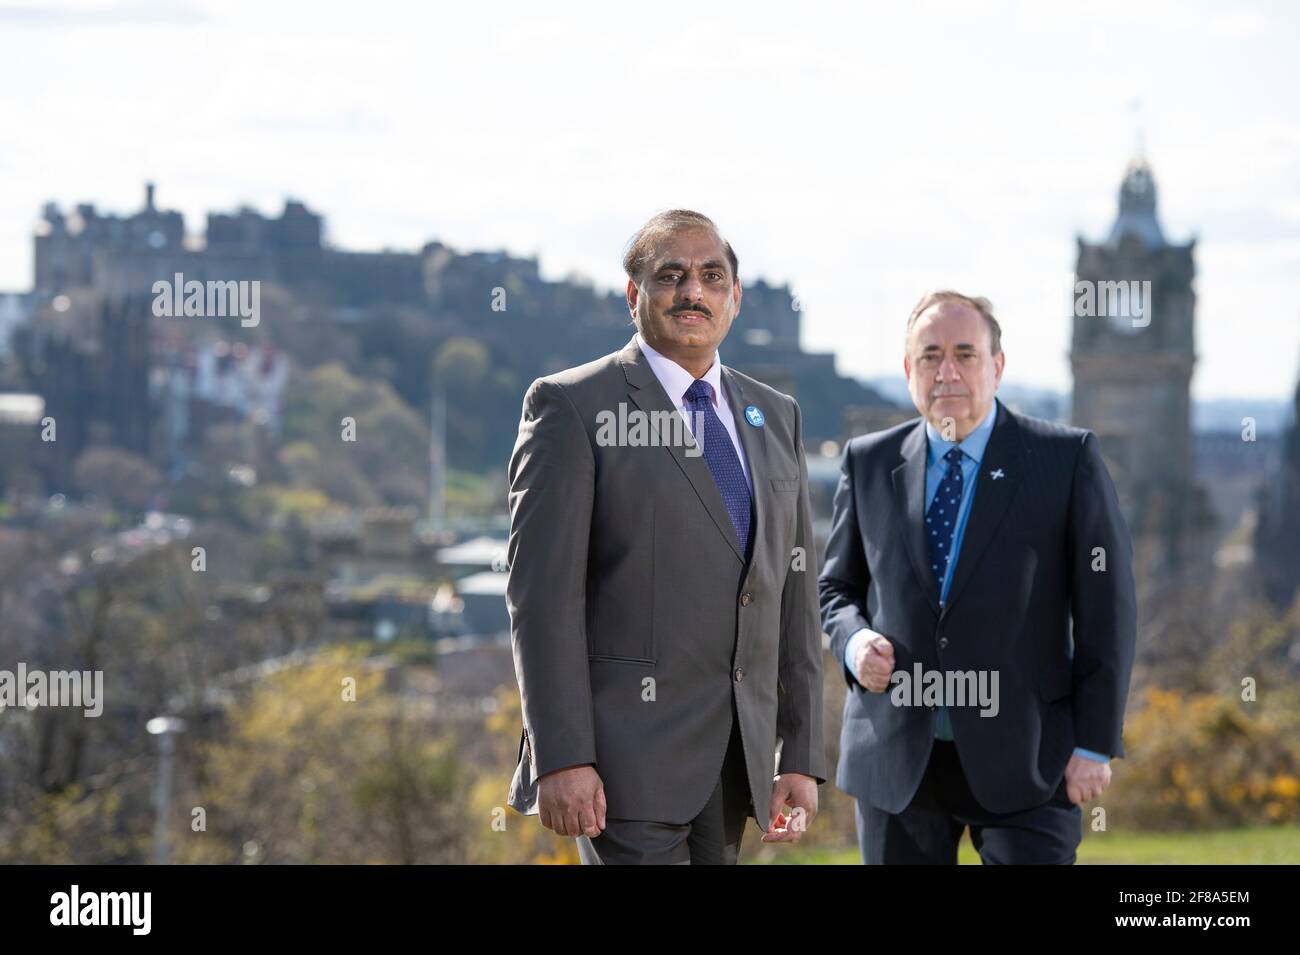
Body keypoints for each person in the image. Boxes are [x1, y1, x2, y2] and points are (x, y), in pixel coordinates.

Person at [506, 210, 825, 864]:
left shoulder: (776, 416)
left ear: (734, 297)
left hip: (736, 765)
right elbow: (542, 602)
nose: (693, 291)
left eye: (712, 276)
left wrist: (800, 751)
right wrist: (562, 757)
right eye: (670, 275)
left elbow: (791, 595)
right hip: (622, 767)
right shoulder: (572, 407)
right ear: (634, 296)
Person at [819, 290, 1136, 864]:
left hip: (1028, 762)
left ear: (998, 365)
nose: (947, 371)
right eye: (931, 355)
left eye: (966, 354)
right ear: (908, 368)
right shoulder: (866, 461)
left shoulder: (1065, 460)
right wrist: (854, 641)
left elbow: (1107, 612)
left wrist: (1095, 742)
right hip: (897, 764)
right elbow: (835, 590)